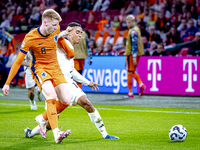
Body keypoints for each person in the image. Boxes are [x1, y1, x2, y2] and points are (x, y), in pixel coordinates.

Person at [24, 21, 119, 140]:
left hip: (67, 83)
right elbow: (51, 37)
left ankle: (105, 134)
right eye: (77, 32)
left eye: (81, 33)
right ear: (69, 31)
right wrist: (64, 32)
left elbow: (71, 70)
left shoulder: (69, 47)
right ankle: (31, 132)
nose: (80, 35)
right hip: (56, 84)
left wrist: (87, 82)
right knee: (50, 122)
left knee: (86, 103)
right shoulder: (60, 43)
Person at [2, 9, 75, 143]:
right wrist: (7, 83)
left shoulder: (56, 29)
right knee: (51, 96)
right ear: (45, 22)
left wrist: (67, 41)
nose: (55, 28)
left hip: (56, 68)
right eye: (53, 25)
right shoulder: (30, 37)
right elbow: (18, 61)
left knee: (66, 100)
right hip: (40, 69)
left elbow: (60, 37)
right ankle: (56, 133)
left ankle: (41, 119)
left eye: (56, 26)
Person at [123, 15, 146, 99]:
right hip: (135, 54)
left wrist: (133, 57)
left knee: (129, 72)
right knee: (131, 72)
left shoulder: (133, 31)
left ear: (133, 21)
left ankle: (131, 92)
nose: (128, 24)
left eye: (129, 22)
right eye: (127, 22)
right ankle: (140, 85)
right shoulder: (136, 29)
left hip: (132, 54)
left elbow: (134, 45)